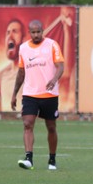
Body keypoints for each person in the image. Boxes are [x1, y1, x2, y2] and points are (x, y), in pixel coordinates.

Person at [12, 19, 64, 170]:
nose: (36, 34)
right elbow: (21, 72)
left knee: (51, 127)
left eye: (38, 32)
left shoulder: (52, 45)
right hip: (30, 94)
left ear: (43, 31)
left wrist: (54, 79)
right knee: (27, 123)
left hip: (49, 94)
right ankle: (29, 158)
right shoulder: (23, 48)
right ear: (29, 32)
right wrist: (14, 93)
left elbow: (61, 66)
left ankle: (52, 159)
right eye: (33, 32)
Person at [0, 19, 25, 112]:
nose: (10, 35)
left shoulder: (31, 70)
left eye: (15, 31)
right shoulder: (0, 77)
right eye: (8, 32)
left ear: (23, 38)